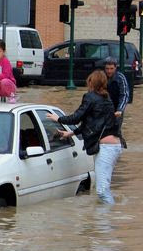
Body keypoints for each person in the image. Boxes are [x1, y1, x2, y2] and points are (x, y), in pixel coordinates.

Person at [46, 70, 121, 204]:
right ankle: (106, 217)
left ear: (91, 82)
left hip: (105, 148)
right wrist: (71, 133)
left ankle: (106, 223)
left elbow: (76, 117)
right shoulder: (107, 98)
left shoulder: (90, 97)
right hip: (115, 146)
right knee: (104, 187)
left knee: (102, 191)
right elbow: (91, 123)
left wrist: (59, 119)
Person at [104, 57, 129, 147]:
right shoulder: (102, 77)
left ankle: (120, 146)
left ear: (115, 68)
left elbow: (125, 95)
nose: (109, 71)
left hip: (117, 109)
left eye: (111, 69)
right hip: (104, 108)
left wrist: (120, 109)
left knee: (115, 130)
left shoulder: (120, 78)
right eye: (107, 69)